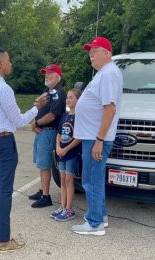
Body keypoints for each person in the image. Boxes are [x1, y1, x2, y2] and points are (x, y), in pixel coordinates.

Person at [0, 47, 48, 253]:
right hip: (4, 143)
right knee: (4, 190)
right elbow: (19, 121)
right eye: (9, 60)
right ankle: (4, 240)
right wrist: (37, 107)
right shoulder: (4, 89)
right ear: (1, 64)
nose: (11, 63)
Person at [71, 37, 123, 235]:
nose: (90, 55)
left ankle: (94, 224)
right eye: (89, 51)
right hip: (93, 136)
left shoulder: (109, 74)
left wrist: (99, 140)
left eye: (95, 51)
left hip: (96, 138)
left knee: (91, 180)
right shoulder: (105, 73)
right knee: (95, 178)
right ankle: (100, 216)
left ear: (107, 53)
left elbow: (109, 108)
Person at [29, 64, 67, 208]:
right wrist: (36, 123)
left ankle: (46, 196)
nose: (47, 76)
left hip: (49, 131)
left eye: (50, 73)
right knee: (41, 163)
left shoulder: (57, 93)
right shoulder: (48, 92)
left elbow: (52, 116)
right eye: (45, 73)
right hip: (42, 131)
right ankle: (41, 190)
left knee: (45, 165)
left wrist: (35, 123)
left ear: (58, 76)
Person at [50, 88, 82, 221]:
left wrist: (66, 149)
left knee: (69, 180)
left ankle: (69, 209)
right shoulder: (65, 116)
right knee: (62, 179)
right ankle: (62, 207)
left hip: (71, 153)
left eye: (71, 97)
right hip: (61, 152)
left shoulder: (79, 116)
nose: (68, 100)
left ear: (78, 100)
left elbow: (79, 137)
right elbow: (59, 133)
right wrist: (58, 147)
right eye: (67, 97)